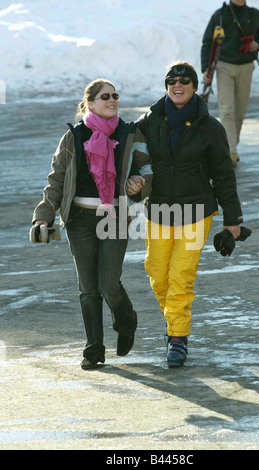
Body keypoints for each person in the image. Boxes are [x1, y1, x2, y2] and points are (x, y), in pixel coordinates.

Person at [127, 61, 243, 367]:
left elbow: (223, 175)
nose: (178, 86)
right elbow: (128, 154)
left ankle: (177, 337)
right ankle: (174, 322)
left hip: (197, 211)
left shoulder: (210, 127)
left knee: (181, 276)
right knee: (156, 273)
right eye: (172, 81)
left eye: (185, 81)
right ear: (166, 86)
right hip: (160, 209)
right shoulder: (148, 122)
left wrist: (233, 221)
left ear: (194, 87)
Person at [31, 78, 151, 370]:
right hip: (80, 221)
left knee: (108, 284)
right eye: (105, 96)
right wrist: (43, 215)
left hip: (115, 217)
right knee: (88, 288)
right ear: (90, 104)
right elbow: (56, 179)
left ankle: (126, 320)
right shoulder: (74, 136)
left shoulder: (130, 134)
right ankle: (94, 348)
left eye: (115, 95)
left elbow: (148, 171)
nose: (112, 100)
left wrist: (141, 185)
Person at [201, 0, 259, 167]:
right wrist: (206, 69)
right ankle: (229, 151)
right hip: (224, 66)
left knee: (240, 111)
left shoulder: (255, 15)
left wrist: (258, 44)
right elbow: (207, 43)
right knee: (227, 110)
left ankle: (232, 146)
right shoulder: (219, 15)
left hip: (246, 67)